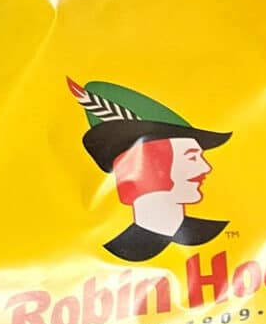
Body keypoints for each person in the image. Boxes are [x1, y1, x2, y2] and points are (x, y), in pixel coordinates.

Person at [66, 77, 231, 263]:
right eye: (192, 156)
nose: (206, 167)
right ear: (153, 164)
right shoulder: (105, 252)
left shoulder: (214, 232)